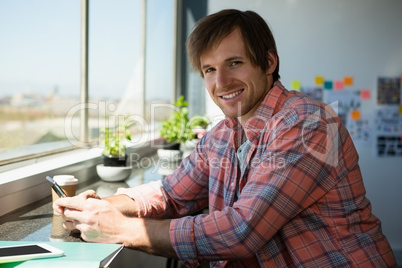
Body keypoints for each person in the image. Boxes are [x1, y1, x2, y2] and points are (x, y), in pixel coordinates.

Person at [54, 9, 397, 267]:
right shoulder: (221, 135)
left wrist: (121, 229)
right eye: (209, 70)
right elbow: (171, 193)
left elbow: (241, 231)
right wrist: (103, 207)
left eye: (234, 63)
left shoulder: (309, 123)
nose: (221, 82)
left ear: (267, 62)